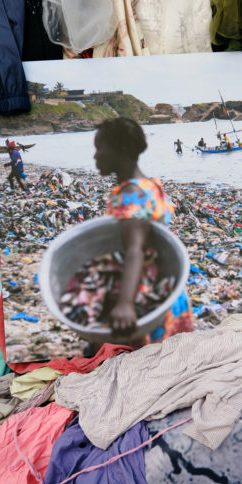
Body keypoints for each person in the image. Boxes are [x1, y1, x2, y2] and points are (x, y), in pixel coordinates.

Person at [94, 117, 193, 340]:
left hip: (143, 298)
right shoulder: (151, 184)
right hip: (166, 290)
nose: (95, 156)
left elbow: (135, 249)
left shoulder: (132, 194)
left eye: (100, 148)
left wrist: (125, 304)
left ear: (120, 150)